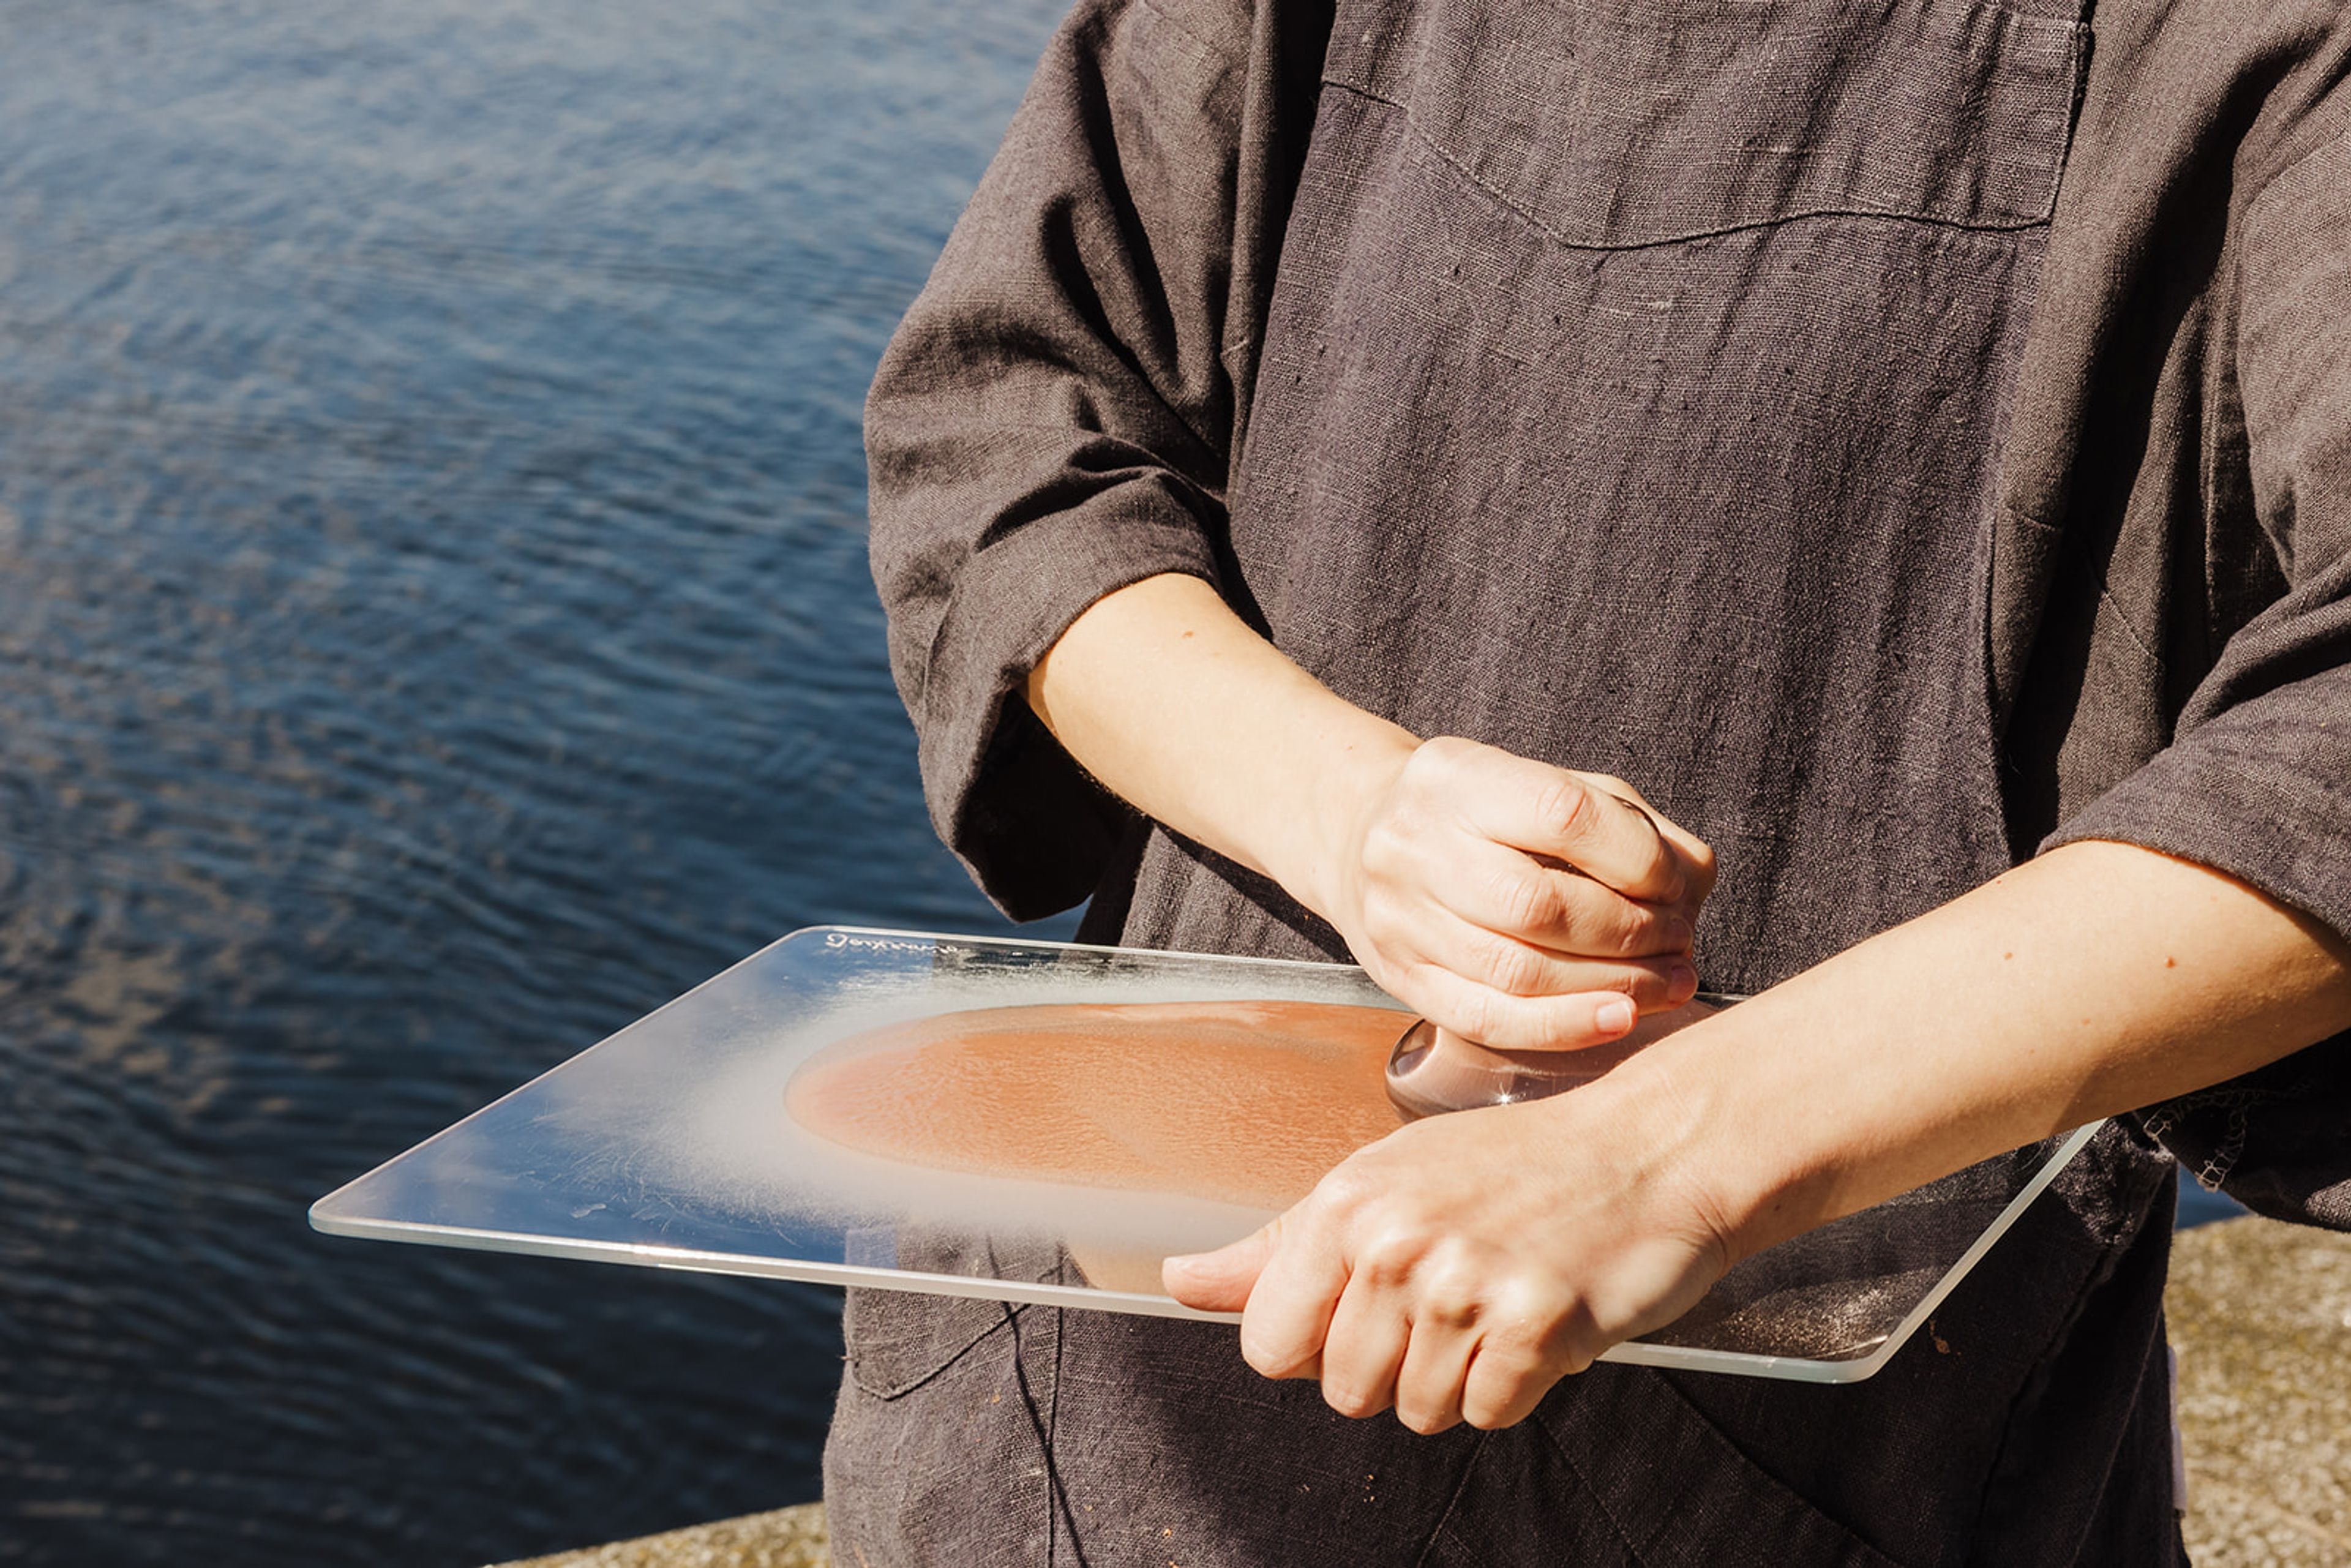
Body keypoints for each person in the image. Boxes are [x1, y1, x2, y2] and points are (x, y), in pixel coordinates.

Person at [830, 0, 2351, 1560]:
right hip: (1077, 1421)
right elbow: (1008, 431)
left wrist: (1677, 1155)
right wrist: (1348, 808)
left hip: (1830, 1477)